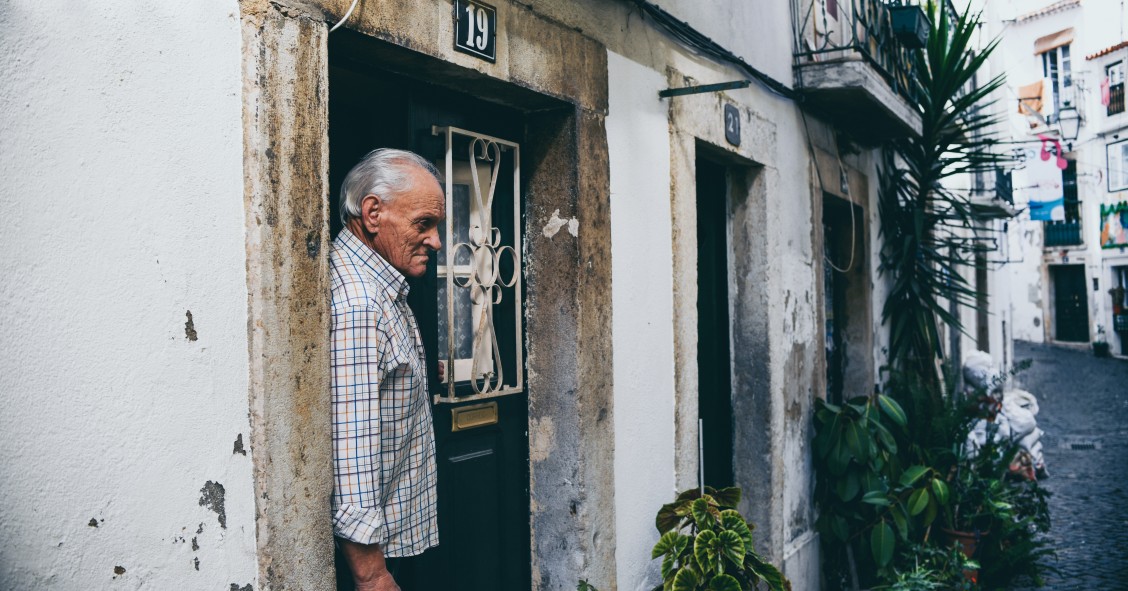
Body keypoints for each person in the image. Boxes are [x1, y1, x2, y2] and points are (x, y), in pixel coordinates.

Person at [330, 149, 444, 591]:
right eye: (423, 224)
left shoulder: (380, 286)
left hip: (392, 540)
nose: (435, 241)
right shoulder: (360, 303)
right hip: (374, 560)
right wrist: (373, 574)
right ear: (373, 212)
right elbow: (351, 451)